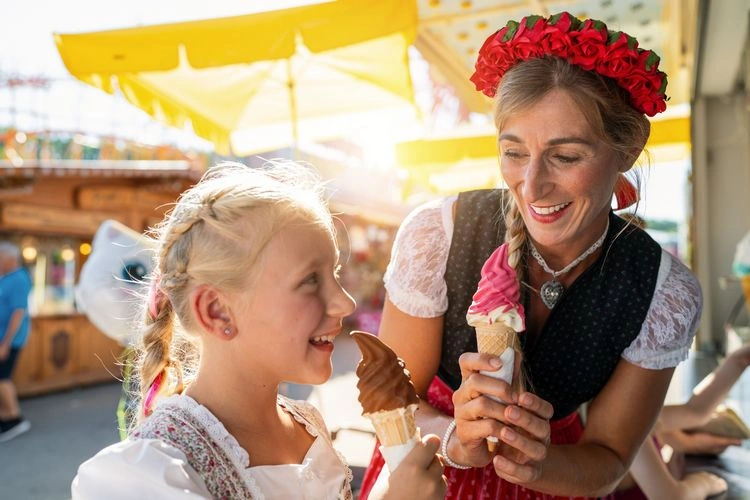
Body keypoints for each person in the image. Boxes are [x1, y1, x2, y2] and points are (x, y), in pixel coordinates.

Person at [359, 11, 702, 499]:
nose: (532, 184)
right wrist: (458, 438)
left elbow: (608, 458)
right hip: (422, 476)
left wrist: (534, 467)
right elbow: (388, 402)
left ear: (627, 149)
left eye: (566, 156)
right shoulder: (439, 234)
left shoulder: (661, 291)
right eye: (514, 152)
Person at [71, 161, 446, 499]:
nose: (346, 303)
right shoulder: (145, 476)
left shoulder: (307, 426)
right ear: (217, 311)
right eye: (310, 280)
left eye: (333, 273)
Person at [615, 343, 750, 499]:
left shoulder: (633, 413)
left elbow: (695, 411)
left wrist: (738, 361)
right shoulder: (624, 422)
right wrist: (706, 481)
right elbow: (671, 497)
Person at [0, 241, 33, 443]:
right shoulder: (7, 278)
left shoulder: (19, 279)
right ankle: (6, 416)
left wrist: (5, 343)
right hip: (3, 339)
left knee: (3, 378)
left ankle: (15, 418)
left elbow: (18, 313)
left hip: (9, 340)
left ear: (9, 258)